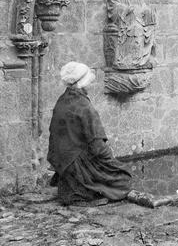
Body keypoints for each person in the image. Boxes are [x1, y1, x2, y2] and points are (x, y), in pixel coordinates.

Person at [48, 61, 132, 206]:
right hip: (76, 162)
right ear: (83, 83)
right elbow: (97, 145)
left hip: (64, 161)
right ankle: (86, 191)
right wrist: (113, 163)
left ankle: (75, 188)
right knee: (124, 178)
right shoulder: (83, 106)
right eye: (89, 81)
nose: (91, 85)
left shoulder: (62, 100)